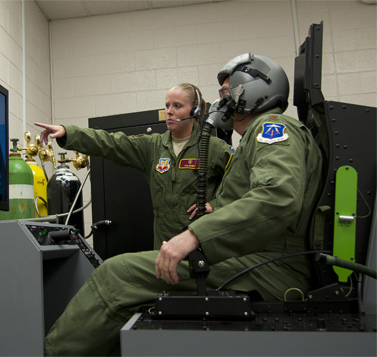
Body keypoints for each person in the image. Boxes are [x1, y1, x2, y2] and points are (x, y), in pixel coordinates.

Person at [44, 53, 323, 356]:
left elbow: (275, 197)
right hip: (234, 254)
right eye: (167, 106)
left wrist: (197, 232)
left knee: (116, 274)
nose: (223, 103)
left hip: (260, 264)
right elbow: (114, 145)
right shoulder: (157, 145)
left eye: (228, 94)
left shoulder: (269, 128)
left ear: (251, 91)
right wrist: (70, 134)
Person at [36, 83, 234, 250]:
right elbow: (110, 143)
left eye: (177, 106)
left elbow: (243, 179)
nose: (169, 112)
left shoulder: (213, 148)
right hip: (164, 249)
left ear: (195, 111)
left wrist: (216, 205)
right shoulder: (153, 146)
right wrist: (68, 133)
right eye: (167, 105)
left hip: (203, 246)